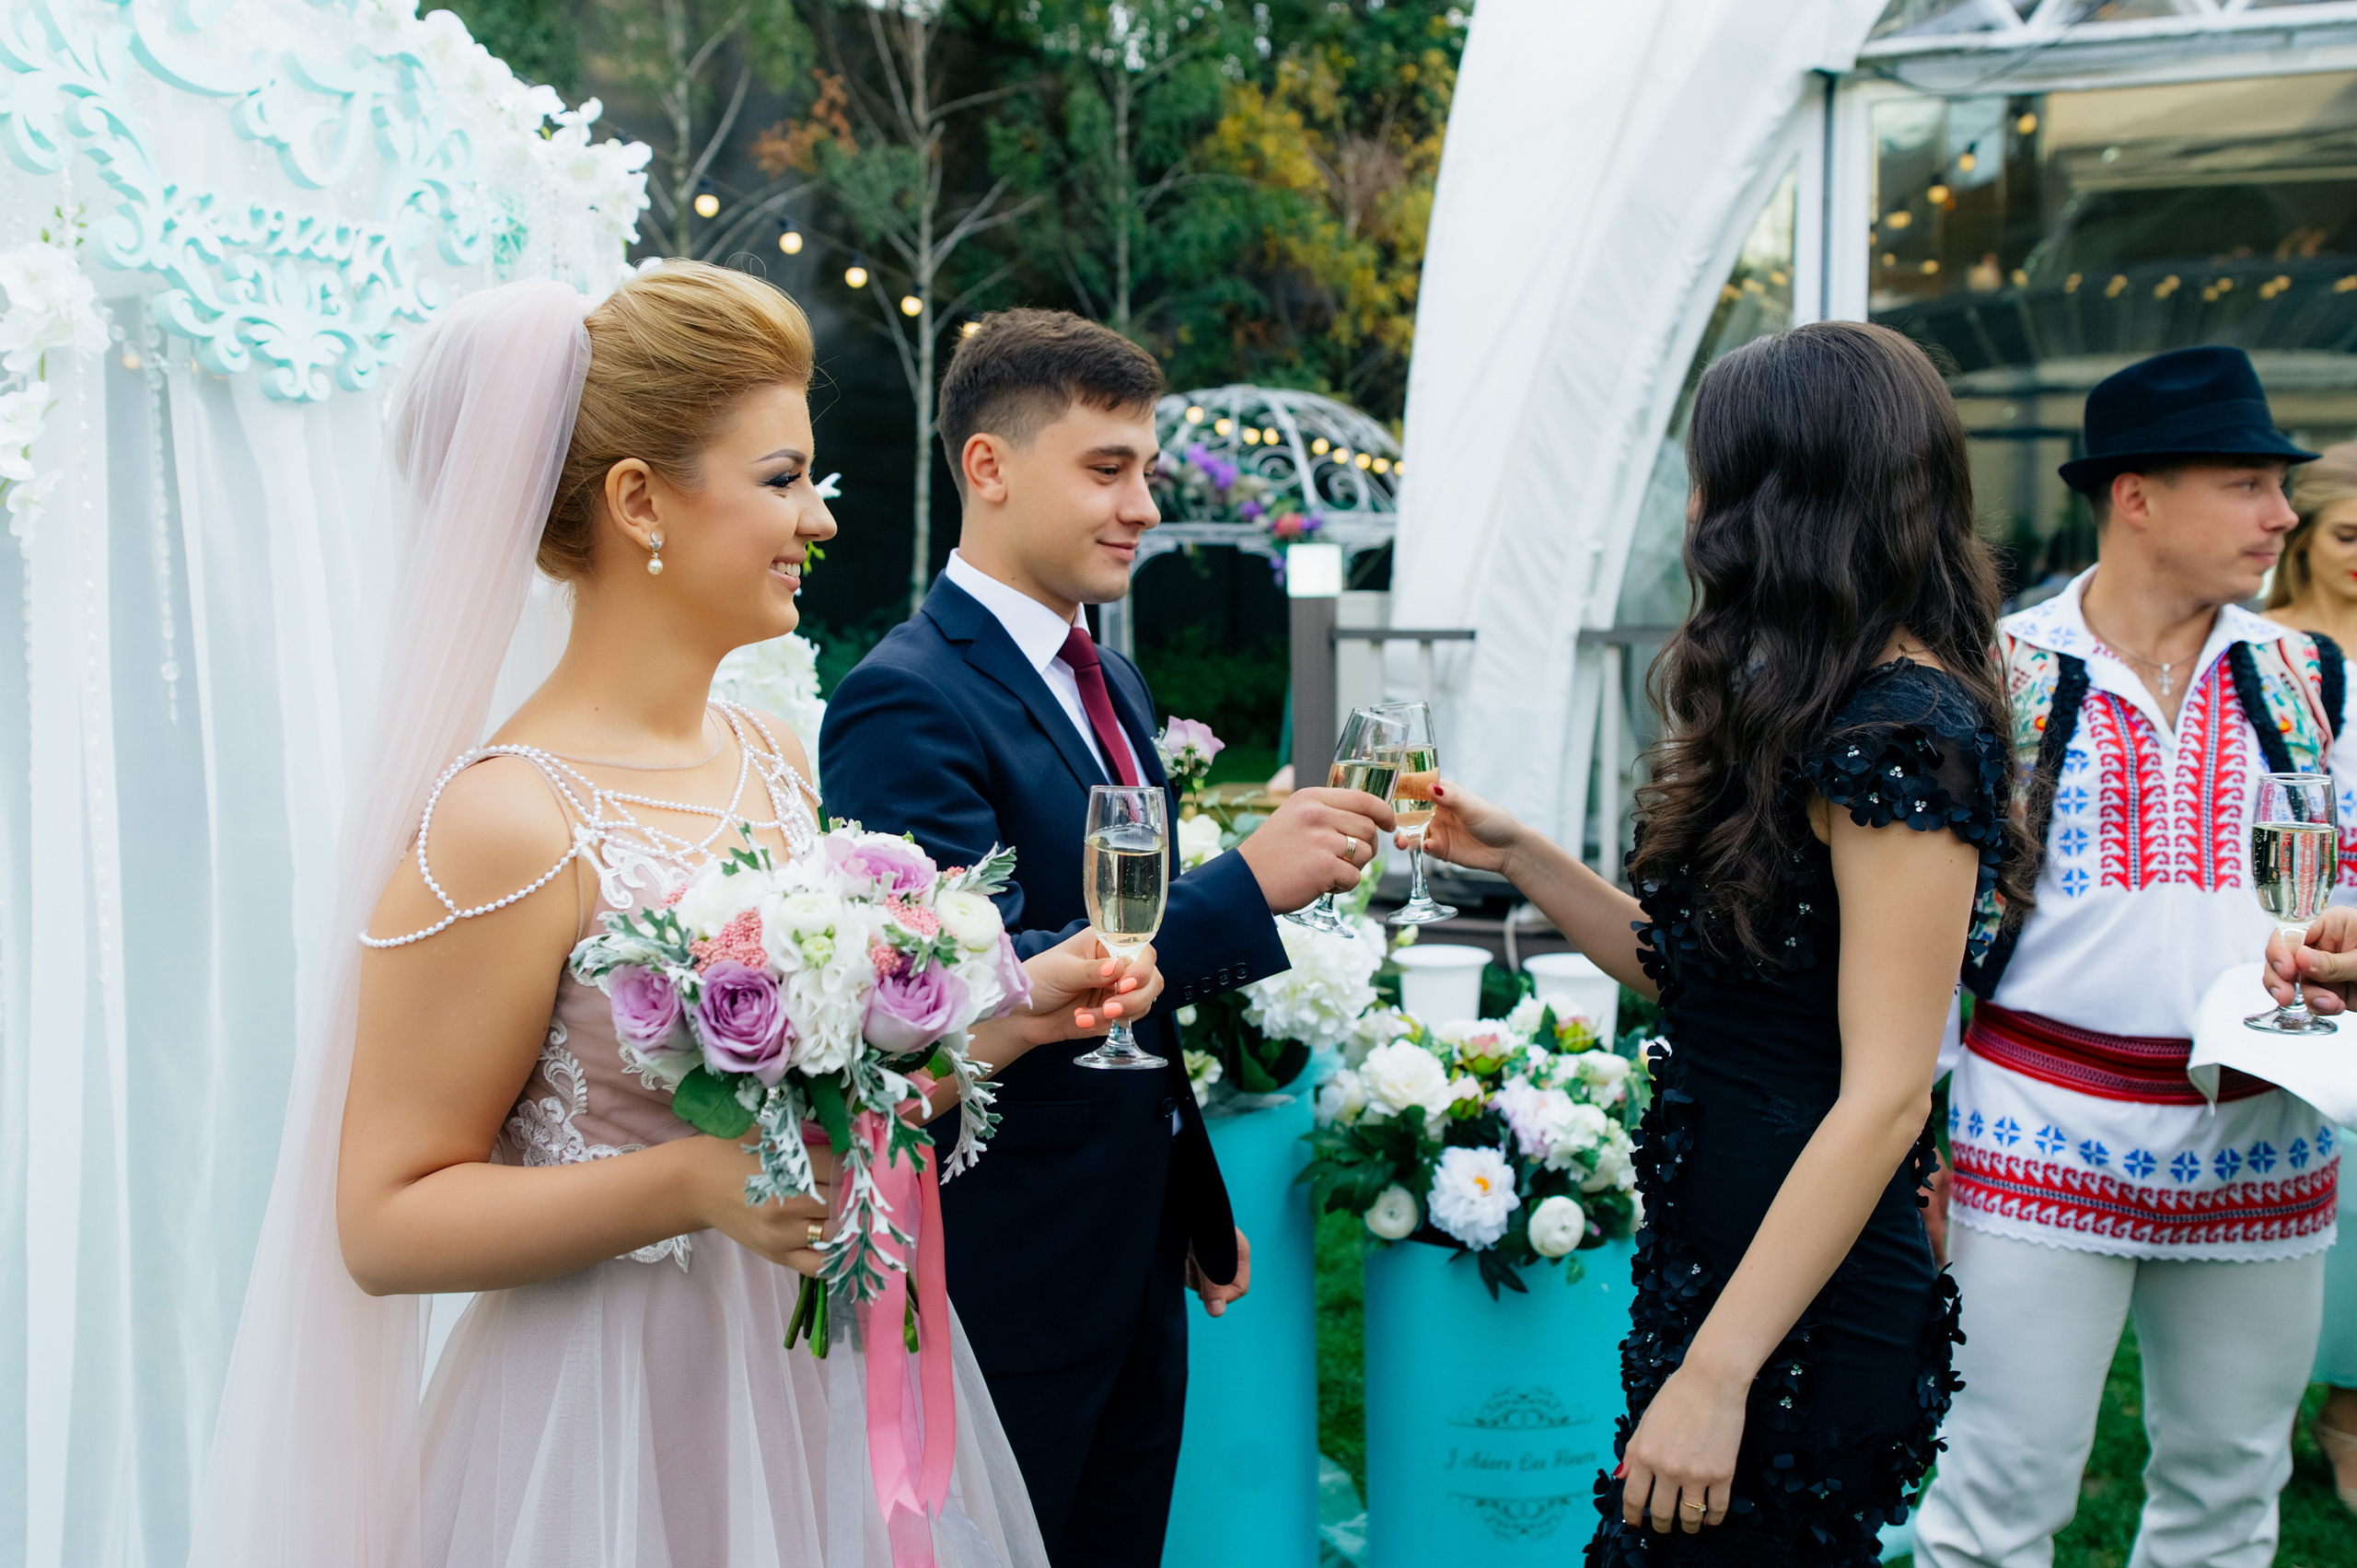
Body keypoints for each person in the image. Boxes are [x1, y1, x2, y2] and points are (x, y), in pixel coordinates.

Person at [187, 267, 1165, 1567]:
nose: (819, 518)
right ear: (641, 501)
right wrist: (689, 1182)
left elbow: (828, 1102)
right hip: (599, 1430)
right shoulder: (508, 817)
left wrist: (1018, 1013)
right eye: (782, 478)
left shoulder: (775, 757)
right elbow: (382, 1219)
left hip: (808, 1389)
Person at [1412, 319, 2025, 1563]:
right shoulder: (1816, 699)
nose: (1693, 510)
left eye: (1713, 476)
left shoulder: (1903, 733)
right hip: (1726, 1266)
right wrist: (1520, 854)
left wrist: (1717, 1372)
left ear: (1782, 501)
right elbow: (1706, 979)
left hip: (1798, 1317)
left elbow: (1887, 1093)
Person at [819, 308, 1393, 1566]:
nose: (1144, 504)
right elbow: (960, 984)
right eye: (1106, 467)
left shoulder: (1108, 678)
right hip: (1008, 1263)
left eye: (1146, 468)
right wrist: (1245, 884)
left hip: (1130, 1243)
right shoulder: (904, 697)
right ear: (988, 466)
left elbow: (1134, 985)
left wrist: (1187, 1195)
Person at [1912, 345, 2342, 1568]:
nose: (2282, 515)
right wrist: (1912, 1127)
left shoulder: (2313, 675)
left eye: (2279, 486)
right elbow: (1926, 921)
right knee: (1995, 1497)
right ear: (2136, 495)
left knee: (2229, 1495)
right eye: (2248, 483)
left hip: (2264, 1134)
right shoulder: (1998, 672)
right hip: (2039, 1126)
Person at [2256, 439, 2357, 1518]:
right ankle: (2262, 1397)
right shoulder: (2270, 653)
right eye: (2348, 534)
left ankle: (2347, 1409)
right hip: (2291, 933)